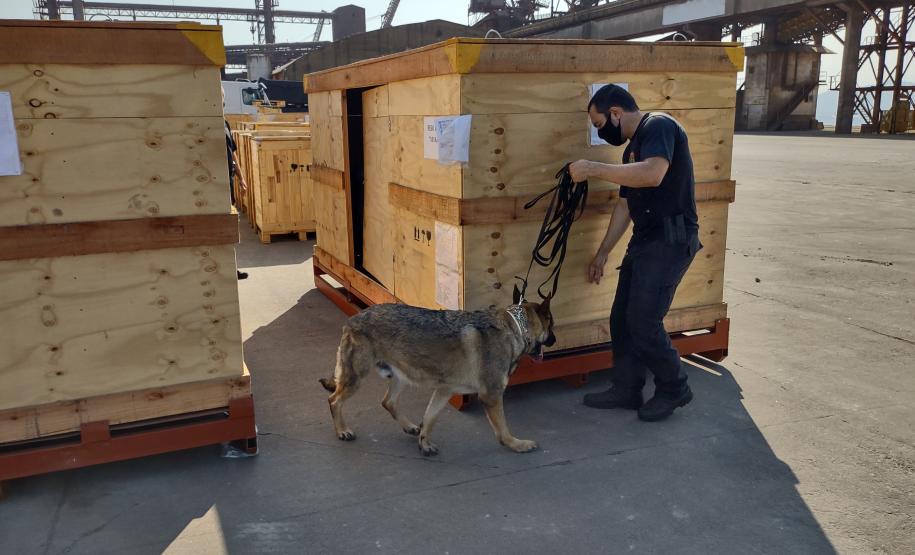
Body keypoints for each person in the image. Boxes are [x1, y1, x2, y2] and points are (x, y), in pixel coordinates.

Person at [569, 84, 702, 422]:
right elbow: (625, 205)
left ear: (615, 112)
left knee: (643, 320)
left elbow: (653, 174)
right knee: (621, 319)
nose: (602, 132)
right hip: (645, 241)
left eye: (600, 124)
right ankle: (627, 388)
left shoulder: (659, 125)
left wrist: (593, 168)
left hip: (670, 240)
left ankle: (674, 386)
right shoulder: (631, 150)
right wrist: (602, 253)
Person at [223, 87, 249, 280]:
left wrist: (241, 177)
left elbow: (233, 153)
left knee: (230, 224)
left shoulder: (224, 123)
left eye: (222, 98)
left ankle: (232, 266)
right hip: (215, 184)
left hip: (228, 180)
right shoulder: (206, 124)